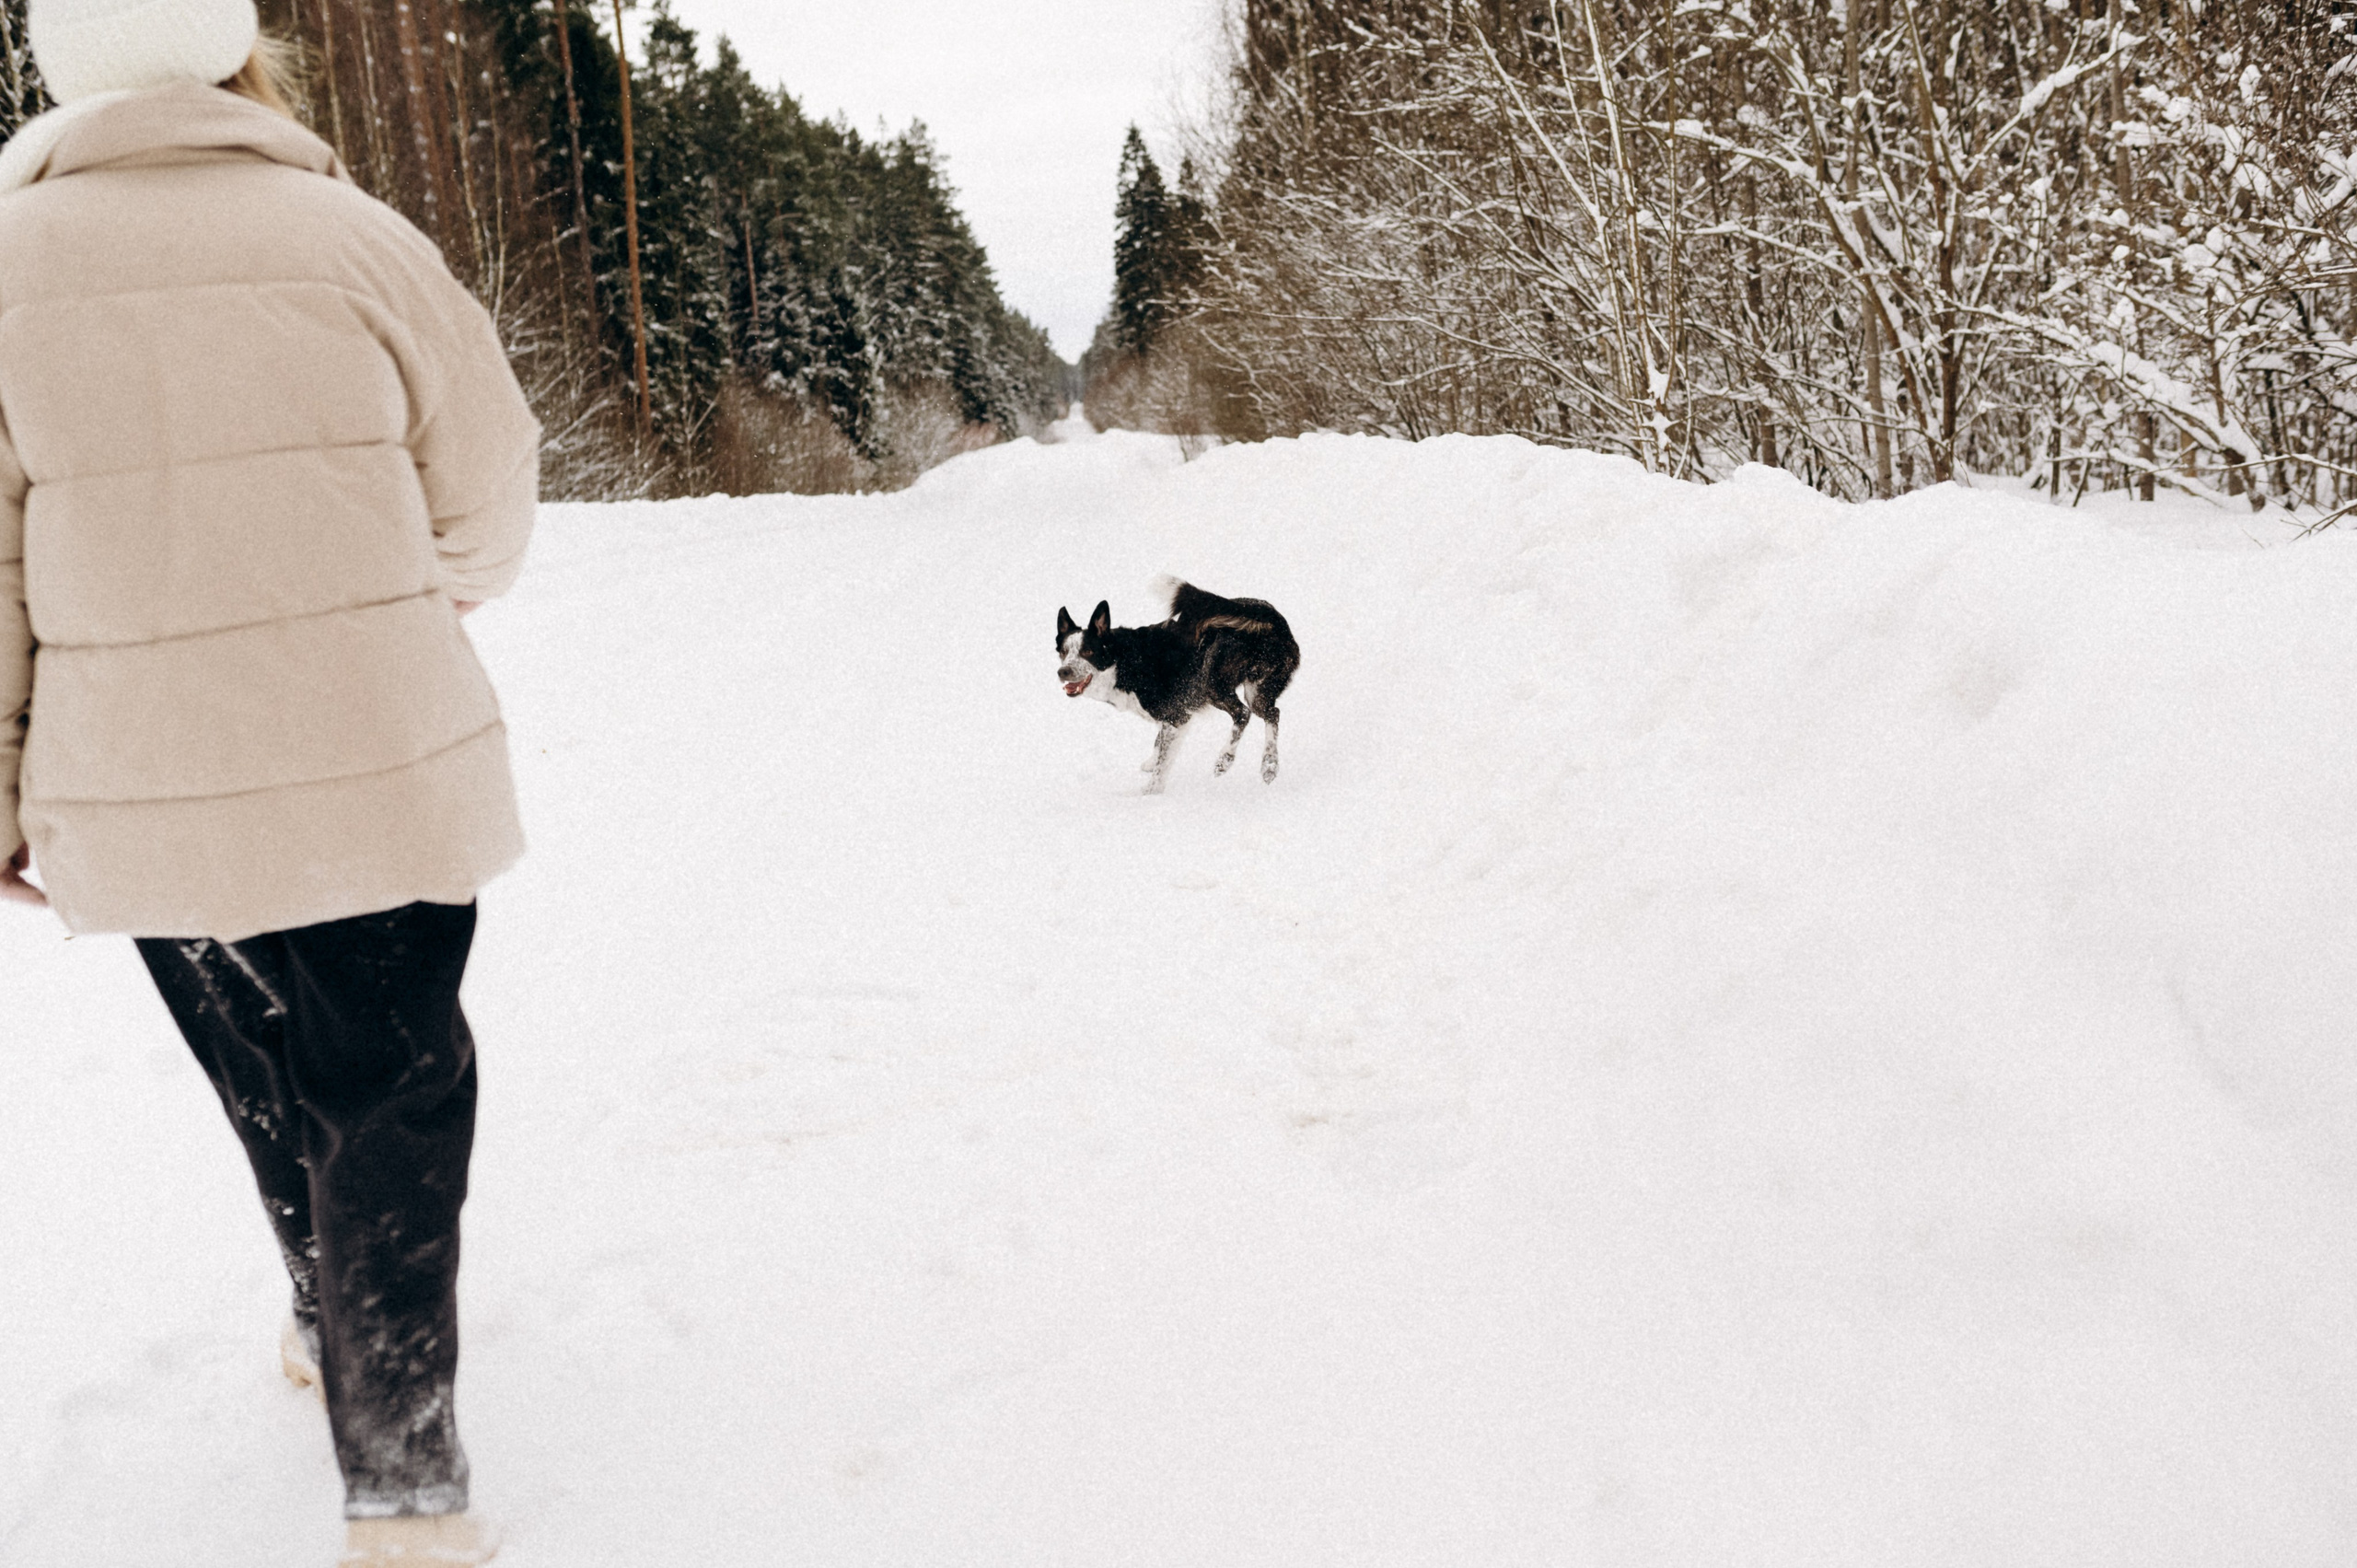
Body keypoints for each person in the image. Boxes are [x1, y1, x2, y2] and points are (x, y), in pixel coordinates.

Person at [0, 0, 540, 1561]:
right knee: (391, 1093)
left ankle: (325, 1309)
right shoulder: (356, 238)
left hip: (141, 782)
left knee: (266, 1071)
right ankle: (406, 1490)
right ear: (239, 55)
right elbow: (491, 485)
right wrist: (436, 584)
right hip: (375, 760)